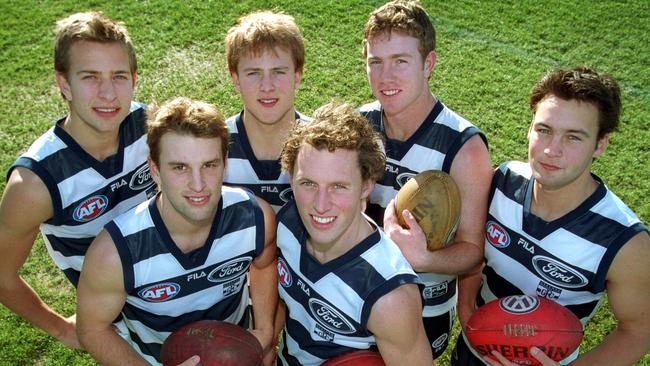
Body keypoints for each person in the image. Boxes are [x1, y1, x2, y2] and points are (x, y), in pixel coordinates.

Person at [453, 67, 650, 366]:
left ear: (600, 144)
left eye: (573, 137)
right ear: (530, 128)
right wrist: (467, 308)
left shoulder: (625, 242)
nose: (550, 150)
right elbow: (473, 250)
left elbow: (638, 332)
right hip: (473, 351)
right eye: (544, 130)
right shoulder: (502, 182)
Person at [75, 97, 278, 365]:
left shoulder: (253, 217)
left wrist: (264, 331)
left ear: (225, 164)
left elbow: (264, 264)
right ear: (155, 170)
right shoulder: (116, 253)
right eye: (180, 167)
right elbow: (93, 329)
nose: (198, 184)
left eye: (209, 165)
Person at [0, 11, 155, 349]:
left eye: (118, 76)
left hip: (181, 288)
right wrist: (63, 329)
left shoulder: (150, 126)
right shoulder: (35, 182)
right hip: (121, 324)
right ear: (64, 84)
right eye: (90, 77)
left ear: (133, 78)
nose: (108, 93)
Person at [359, 0, 493, 360]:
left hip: (423, 307)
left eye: (400, 61)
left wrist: (423, 258)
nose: (386, 77)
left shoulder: (464, 148)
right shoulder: (358, 126)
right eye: (376, 62)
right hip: (357, 292)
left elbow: (473, 252)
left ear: (428, 64)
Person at [275, 102, 432, 365]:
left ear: (366, 186)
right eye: (308, 183)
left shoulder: (389, 297)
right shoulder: (287, 223)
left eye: (338, 186)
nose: (320, 204)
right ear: (291, 179)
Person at [224, 10, 309, 212]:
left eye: (278, 72)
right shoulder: (213, 146)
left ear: (297, 75)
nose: (267, 86)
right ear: (236, 79)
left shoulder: (323, 144)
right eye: (254, 73)